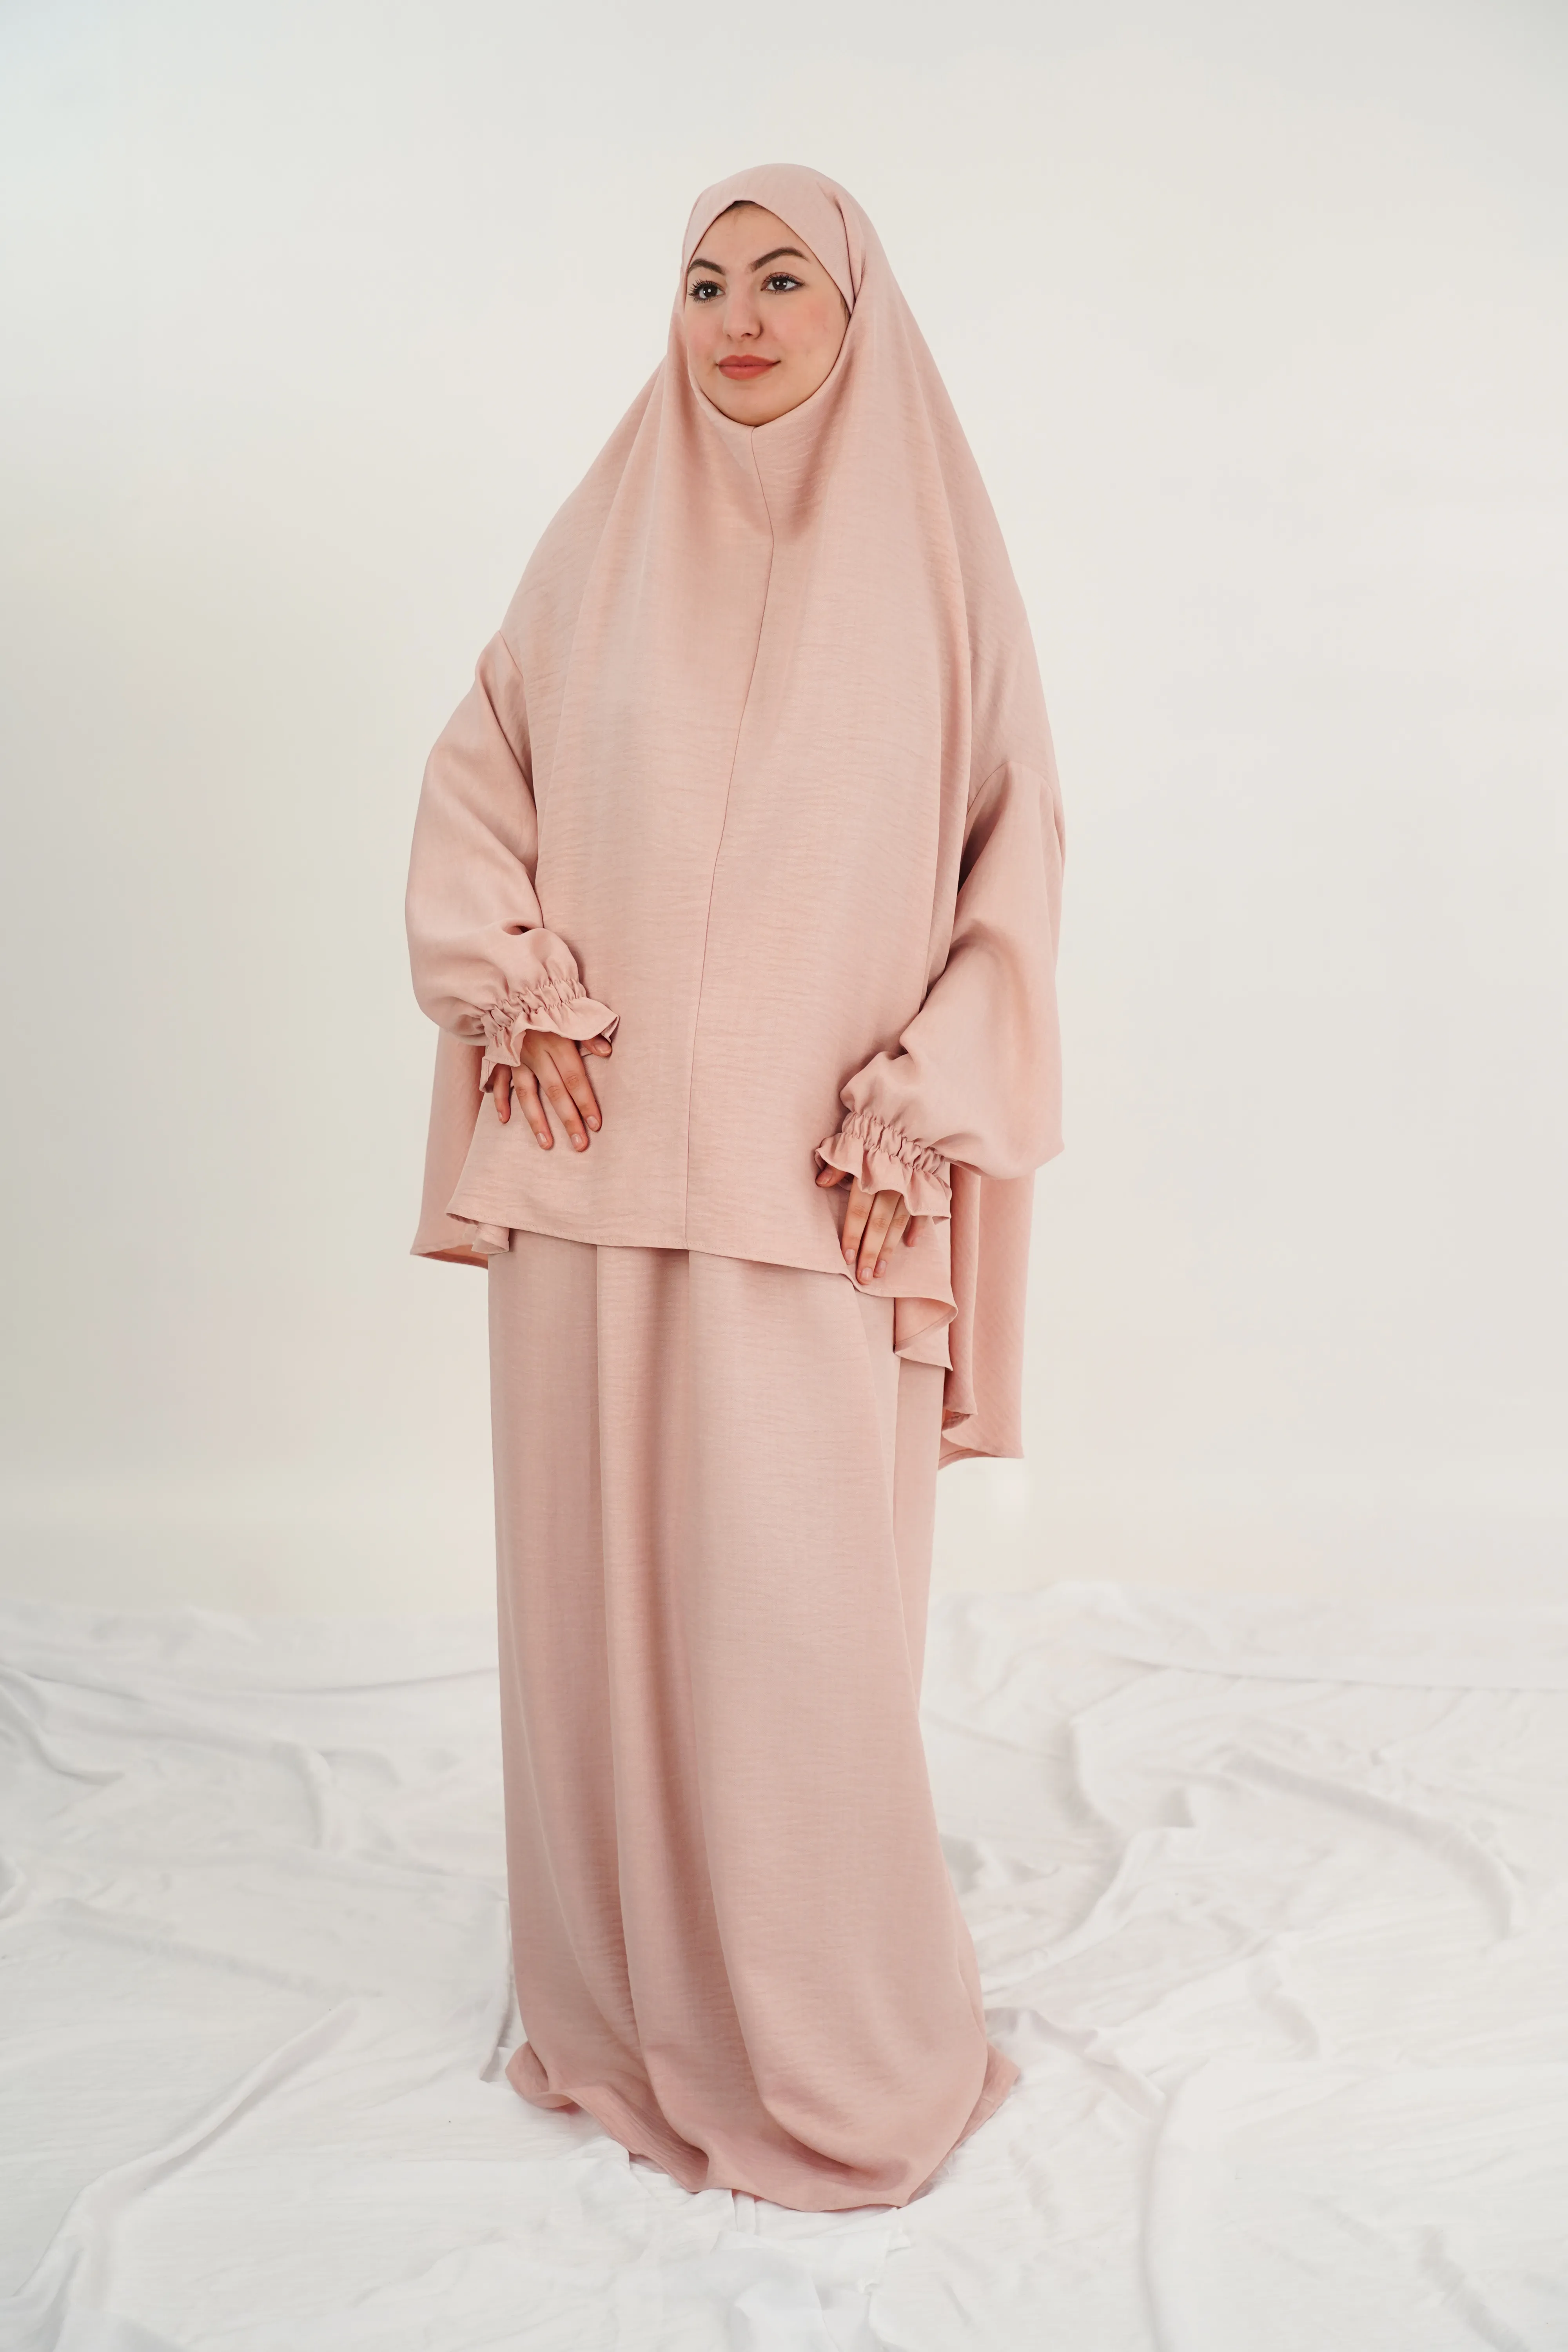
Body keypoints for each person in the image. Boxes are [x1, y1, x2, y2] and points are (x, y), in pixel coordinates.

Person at [405, 163, 1065, 2211]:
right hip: (588, 1172)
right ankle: (612, 2011)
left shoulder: (938, 585)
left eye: (784, 279)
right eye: (704, 282)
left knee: (793, 1635)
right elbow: (474, 783)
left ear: (858, 312)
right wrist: (512, 978)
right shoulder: (595, 550)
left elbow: (1015, 873)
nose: (741, 317)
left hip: (811, 1192)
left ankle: (831, 2036)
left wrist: (923, 1096)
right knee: (587, 1624)